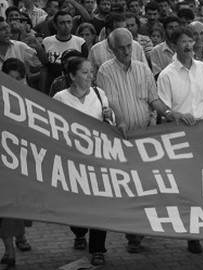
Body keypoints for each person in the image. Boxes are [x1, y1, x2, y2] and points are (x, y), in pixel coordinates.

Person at [96, 28, 181, 253]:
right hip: (121, 139)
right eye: (120, 48)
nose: (126, 51)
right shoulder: (105, 71)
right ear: (110, 48)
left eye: (128, 46)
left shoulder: (143, 69)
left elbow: (154, 100)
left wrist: (171, 114)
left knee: (146, 187)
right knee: (129, 190)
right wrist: (121, 121)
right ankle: (133, 234)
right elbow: (111, 102)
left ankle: (140, 231)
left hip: (145, 137)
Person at [53, 57, 114, 266]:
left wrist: (109, 115)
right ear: (72, 76)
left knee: (100, 206)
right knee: (76, 206)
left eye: (91, 71)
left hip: (97, 162)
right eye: (85, 72)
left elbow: (110, 125)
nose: (91, 76)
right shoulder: (60, 98)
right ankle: (79, 231)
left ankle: (98, 249)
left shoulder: (99, 94)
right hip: (72, 163)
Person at [157, 27, 203, 254]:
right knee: (183, 188)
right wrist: (177, 115)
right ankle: (188, 232)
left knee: (200, 186)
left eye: (191, 40)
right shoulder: (167, 74)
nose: (189, 45)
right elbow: (164, 110)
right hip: (179, 136)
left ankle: (195, 233)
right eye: (184, 42)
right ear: (174, 46)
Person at [0, 58, 32, 267]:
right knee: (6, 207)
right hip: (4, 164)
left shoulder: (33, 101)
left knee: (22, 206)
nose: (17, 83)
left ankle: (20, 237)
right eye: (12, 80)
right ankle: (9, 250)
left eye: (20, 79)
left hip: (25, 162)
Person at [89, 13, 148, 81]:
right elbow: (91, 78)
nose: (125, 32)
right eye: (120, 30)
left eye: (125, 28)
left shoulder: (136, 46)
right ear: (109, 31)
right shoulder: (96, 50)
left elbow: (146, 73)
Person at [40, 10, 88, 94]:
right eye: (62, 23)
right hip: (51, 86)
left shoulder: (80, 42)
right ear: (55, 25)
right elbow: (44, 67)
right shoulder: (47, 41)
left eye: (69, 22)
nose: (66, 26)